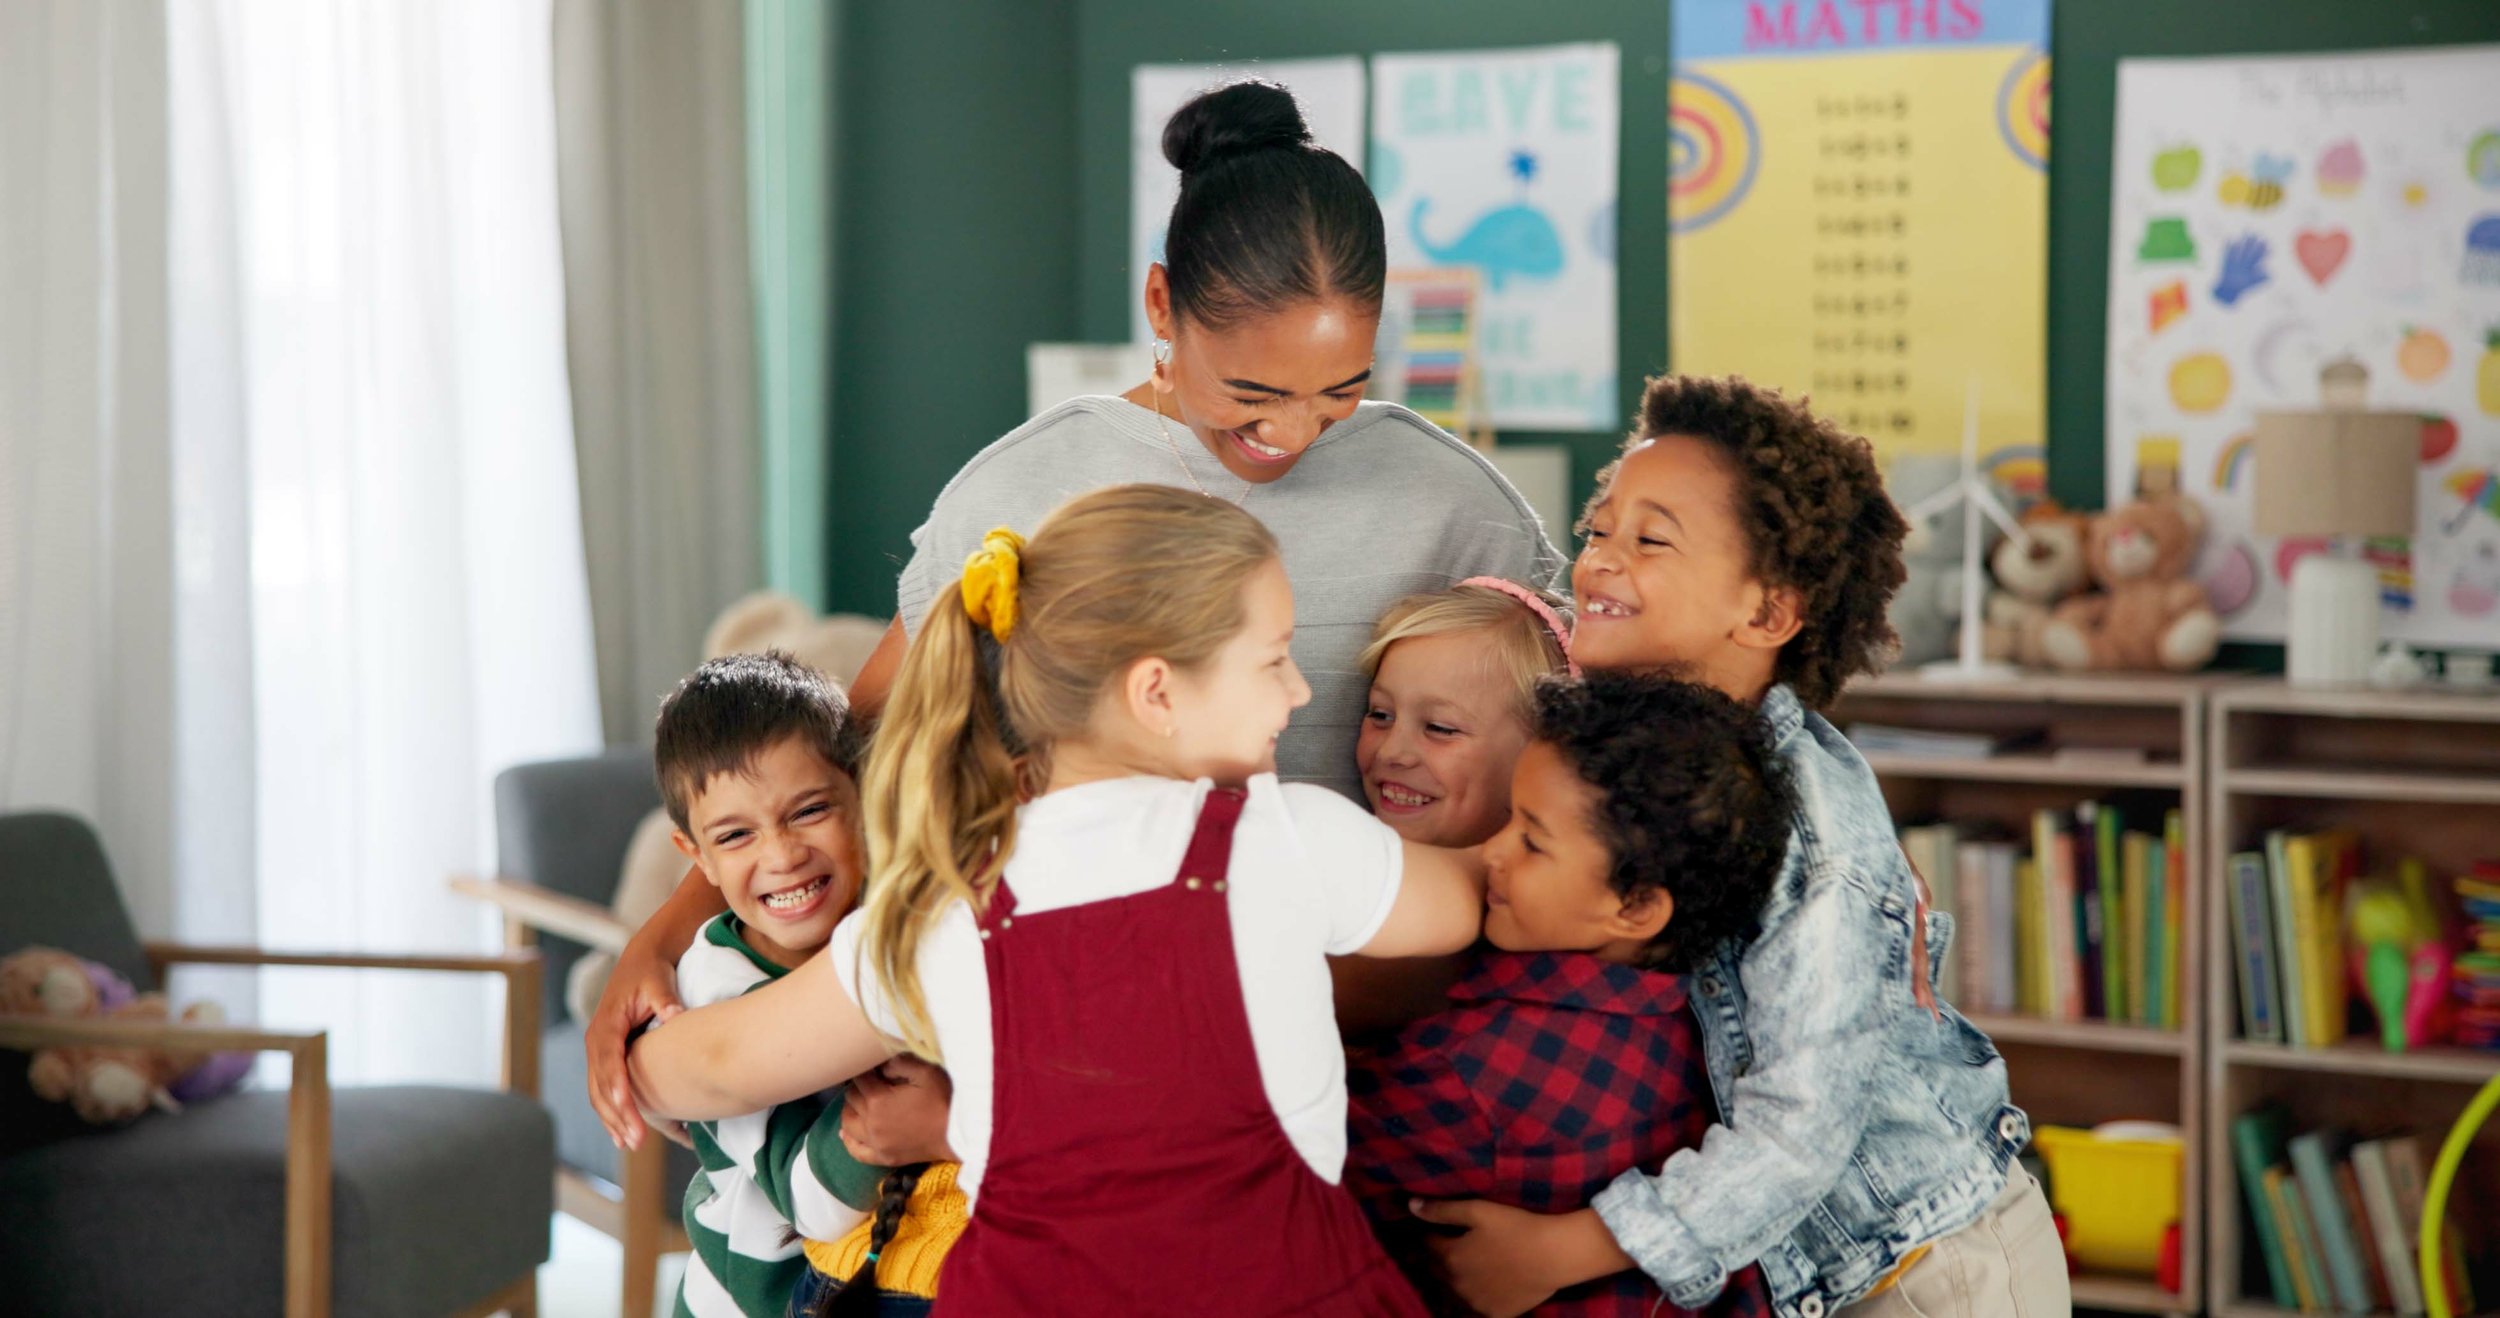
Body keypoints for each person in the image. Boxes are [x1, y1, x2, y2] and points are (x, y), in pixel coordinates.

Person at [588, 78, 1561, 1153]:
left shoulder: (1456, 505)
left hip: (1383, 1047)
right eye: (1252, 394)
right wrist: (670, 930)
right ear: (1159, 305)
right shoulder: (1026, 490)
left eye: (1341, 390)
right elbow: (844, 755)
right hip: (1088, 1042)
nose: (1296, 432)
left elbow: (1577, 750)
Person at [626, 485, 1490, 1314]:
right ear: (1156, 691)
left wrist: (631, 1063)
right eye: (1273, 660)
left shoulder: (939, 908)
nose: (1299, 694)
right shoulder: (1288, 837)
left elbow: (716, 1064)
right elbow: (1474, 898)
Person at [1415, 376, 2066, 1318]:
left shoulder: (1813, 833)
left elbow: (1801, 1131)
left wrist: (1565, 1250)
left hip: (1927, 1271)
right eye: (1599, 531)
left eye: (1651, 540)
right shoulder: (1635, 750)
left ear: (1767, 614)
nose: (1598, 561)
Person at [1345, 673, 1790, 1318]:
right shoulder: (1710, 1025)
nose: (1491, 852)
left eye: (1531, 840)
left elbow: (1308, 1173)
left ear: (1636, 908)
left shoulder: (1469, 1068)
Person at [645, 653, 886, 1317]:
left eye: (809, 811)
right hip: (750, 1302)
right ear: (698, 858)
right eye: (736, 835)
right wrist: (907, 1125)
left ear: (860, 797)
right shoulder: (716, 991)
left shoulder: (878, 915)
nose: (782, 856)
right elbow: (815, 1202)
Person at [1335, 577, 1572, 1033]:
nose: (1392, 753)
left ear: (1541, 750)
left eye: (1440, 728)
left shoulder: (1504, 911)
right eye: (1380, 715)